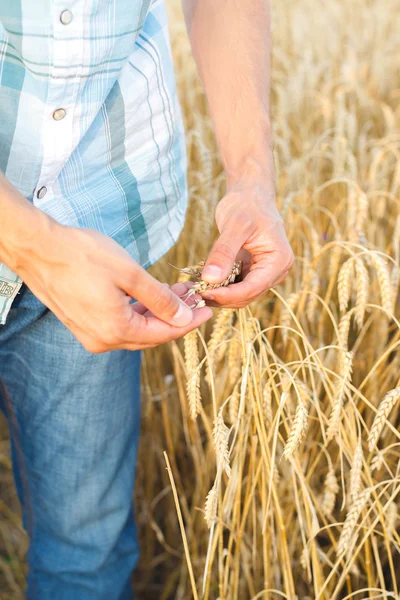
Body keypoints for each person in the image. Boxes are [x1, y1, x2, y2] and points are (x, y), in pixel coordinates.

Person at [0, 0, 293, 598]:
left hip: (101, 217)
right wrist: (35, 245)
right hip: (83, 252)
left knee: (85, 550)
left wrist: (252, 179)